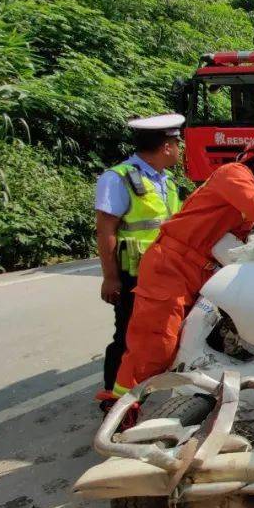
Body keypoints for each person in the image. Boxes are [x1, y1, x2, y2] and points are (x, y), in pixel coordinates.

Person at [110, 134, 254, 404]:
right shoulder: (233, 174)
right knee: (154, 344)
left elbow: (252, 228)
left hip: (198, 270)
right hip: (171, 266)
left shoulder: (248, 186)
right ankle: (121, 407)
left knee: (187, 340)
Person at [94, 114, 184, 409]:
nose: (179, 149)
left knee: (159, 334)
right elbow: (105, 230)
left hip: (164, 274)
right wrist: (110, 277)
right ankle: (113, 399)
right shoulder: (118, 178)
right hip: (134, 276)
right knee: (126, 338)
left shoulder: (166, 181)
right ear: (167, 146)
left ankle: (144, 389)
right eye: (177, 143)